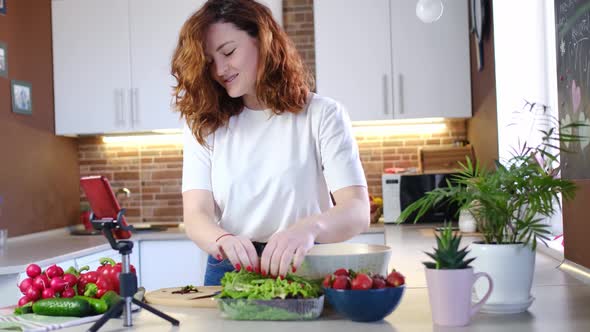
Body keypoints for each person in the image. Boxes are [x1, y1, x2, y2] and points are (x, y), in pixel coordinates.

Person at [172, 0, 370, 286]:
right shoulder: (204, 124)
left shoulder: (323, 114)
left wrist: (309, 229)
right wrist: (223, 240)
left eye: (228, 52)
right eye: (210, 61)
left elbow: (357, 210)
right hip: (232, 268)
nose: (220, 69)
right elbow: (196, 213)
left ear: (263, 40)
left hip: (306, 264)